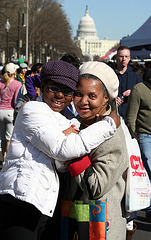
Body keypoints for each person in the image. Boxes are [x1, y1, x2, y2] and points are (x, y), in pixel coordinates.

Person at [0, 60, 119, 240]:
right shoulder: (32, 110)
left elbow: (62, 162)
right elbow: (63, 150)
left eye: (68, 92)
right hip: (21, 201)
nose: (60, 96)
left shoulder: (68, 118)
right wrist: (109, 124)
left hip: (44, 206)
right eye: (54, 88)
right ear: (42, 86)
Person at [58, 61, 129, 240]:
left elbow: (96, 186)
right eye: (78, 94)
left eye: (92, 96)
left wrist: (70, 150)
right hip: (77, 217)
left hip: (101, 225)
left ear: (106, 98)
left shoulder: (110, 133)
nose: (83, 102)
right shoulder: (79, 123)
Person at [126, 68, 151, 222]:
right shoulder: (139, 89)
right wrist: (134, 136)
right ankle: (149, 208)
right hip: (145, 135)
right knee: (149, 169)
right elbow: (131, 116)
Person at [0, 63, 22, 162]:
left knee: (2, 138)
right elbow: (15, 101)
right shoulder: (17, 84)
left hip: (0, 111)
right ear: (14, 73)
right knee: (9, 138)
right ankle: (7, 160)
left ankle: (3, 156)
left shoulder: (1, 83)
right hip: (10, 112)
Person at [114, 46, 142, 121]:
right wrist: (112, 99)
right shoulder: (110, 75)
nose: (124, 59)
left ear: (129, 58)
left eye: (126, 56)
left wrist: (133, 92)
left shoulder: (136, 77)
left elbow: (143, 96)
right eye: (121, 56)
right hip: (114, 116)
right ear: (116, 57)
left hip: (131, 117)